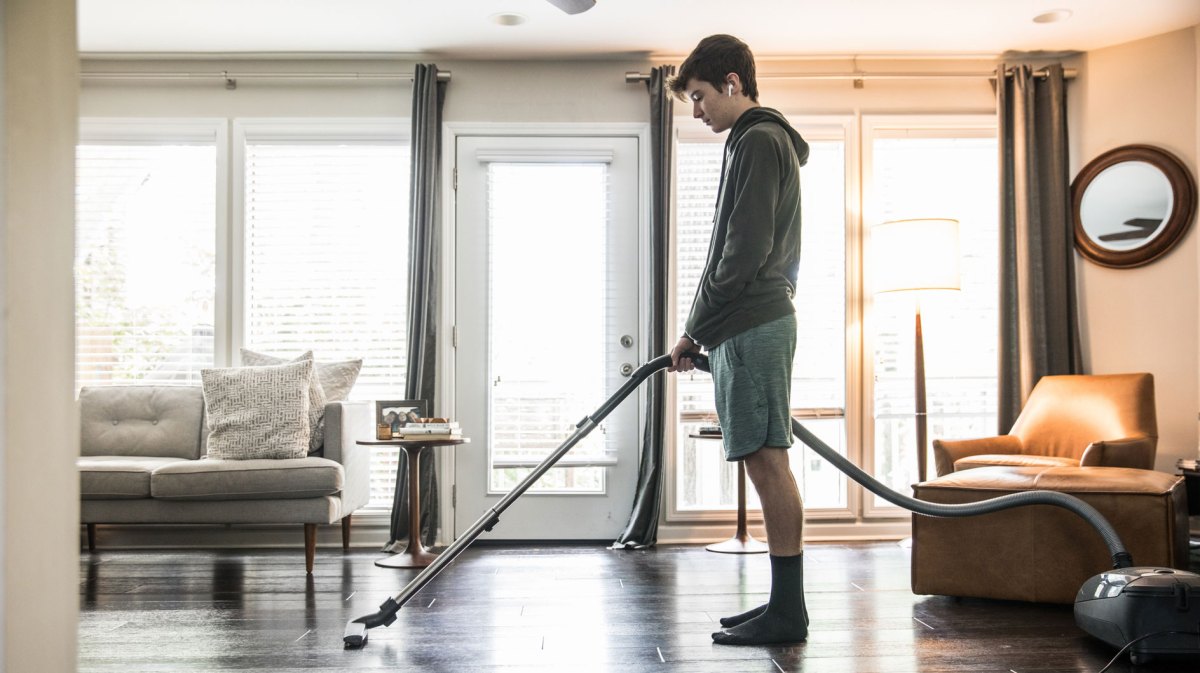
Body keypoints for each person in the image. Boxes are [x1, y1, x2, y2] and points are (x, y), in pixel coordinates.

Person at [667, 34, 810, 646]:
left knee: (768, 463)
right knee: (762, 460)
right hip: (747, 323)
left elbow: (740, 253)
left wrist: (696, 328)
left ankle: (788, 613)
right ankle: (782, 606)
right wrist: (707, 333)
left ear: (730, 82)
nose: (696, 112)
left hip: (752, 322)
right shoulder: (758, 142)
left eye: (698, 97)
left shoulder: (757, 139)